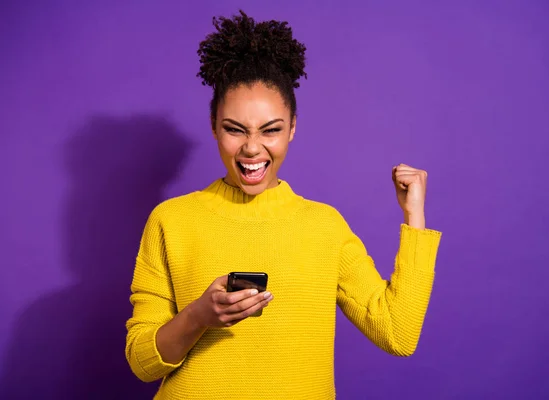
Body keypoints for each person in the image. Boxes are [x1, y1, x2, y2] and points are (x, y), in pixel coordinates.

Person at [125, 10, 442, 400]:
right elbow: (142, 363)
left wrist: (415, 218)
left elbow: (398, 332)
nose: (252, 148)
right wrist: (198, 317)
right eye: (234, 129)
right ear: (213, 126)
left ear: (292, 127)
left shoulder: (324, 226)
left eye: (271, 130)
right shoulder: (171, 220)